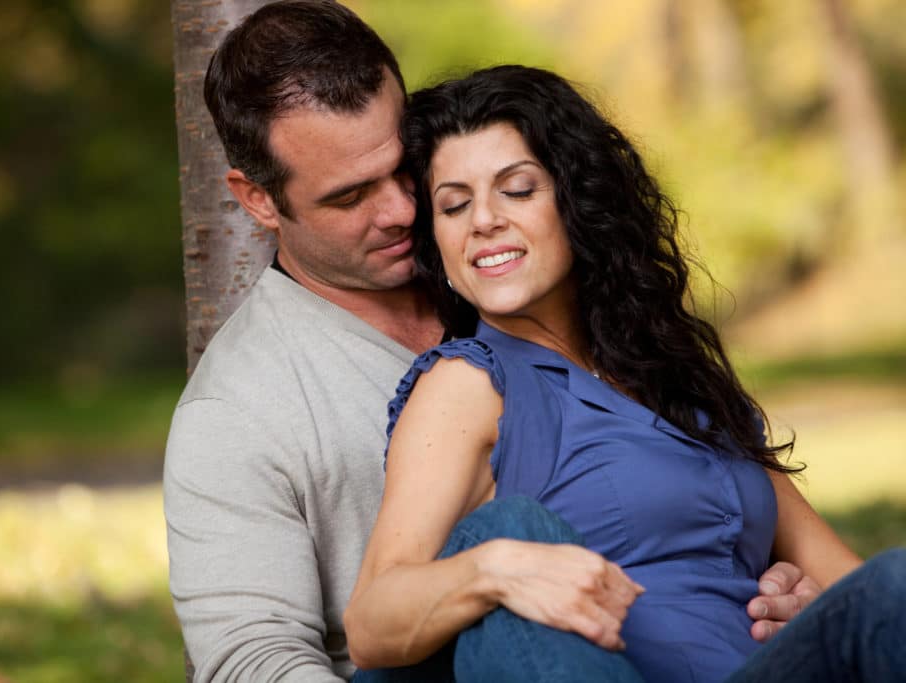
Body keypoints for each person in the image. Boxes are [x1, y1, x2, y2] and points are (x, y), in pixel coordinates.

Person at [164, 2, 830, 681]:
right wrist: (488, 573)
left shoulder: (521, 289)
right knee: (506, 532)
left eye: (404, 169)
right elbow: (251, 660)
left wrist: (791, 601)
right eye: (350, 196)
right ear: (258, 200)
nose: (401, 210)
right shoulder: (236, 410)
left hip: (628, 649)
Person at [344, 64, 906, 683]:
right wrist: (495, 569)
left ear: (579, 203)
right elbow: (371, 625)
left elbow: (852, 586)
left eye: (518, 189)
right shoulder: (469, 386)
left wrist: (811, 609)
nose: (483, 220)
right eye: (454, 205)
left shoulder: (677, 375)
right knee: (508, 532)